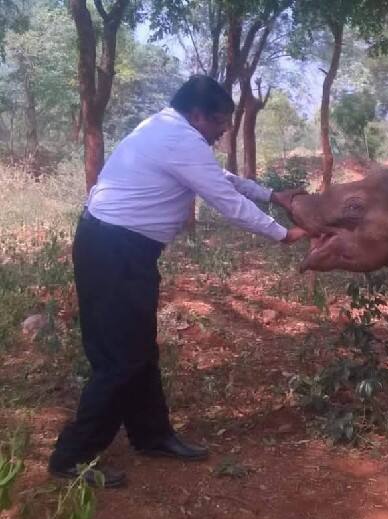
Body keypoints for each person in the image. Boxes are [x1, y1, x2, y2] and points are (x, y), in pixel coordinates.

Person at [48, 75, 307, 488]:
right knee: (119, 359)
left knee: (139, 349)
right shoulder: (178, 138)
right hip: (114, 249)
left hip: (120, 248)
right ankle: (71, 457)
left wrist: (273, 195)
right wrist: (283, 233)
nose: (224, 130)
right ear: (198, 114)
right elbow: (226, 201)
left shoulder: (170, 131)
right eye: (220, 121)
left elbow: (221, 180)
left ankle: (151, 436)